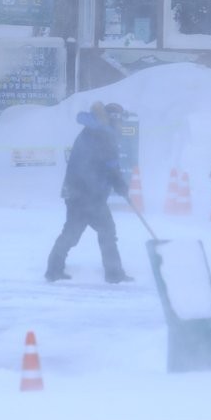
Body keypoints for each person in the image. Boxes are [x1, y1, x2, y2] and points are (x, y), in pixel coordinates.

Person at [45, 102, 133, 284]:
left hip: (79, 192)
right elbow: (110, 167)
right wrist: (120, 184)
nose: (121, 125)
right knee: (105, 232)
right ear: (114, 120)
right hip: (87, 194)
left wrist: (115, 182)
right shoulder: (103, 135)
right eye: (121, 121)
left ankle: (53, 270)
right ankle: (114, 274)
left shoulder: (93, 131)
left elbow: (101, 165)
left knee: (73, 233)